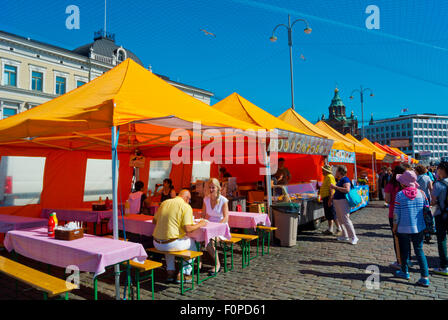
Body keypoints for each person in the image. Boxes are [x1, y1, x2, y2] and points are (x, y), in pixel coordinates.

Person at [152, 189, 208, 283]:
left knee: (168, 241)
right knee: (193, 244)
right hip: (170, 244)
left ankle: (170, 272)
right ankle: (184, 273)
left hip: (157, 243)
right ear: (187, 198)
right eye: (189, 200)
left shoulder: (164, 203)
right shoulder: (186, 206)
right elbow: (188, 229)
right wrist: (201, 224)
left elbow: (154, 221)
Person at [392, 170, 430, 287]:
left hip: (403, 227)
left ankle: (405, 271)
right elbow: (426, 210)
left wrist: (394, 227)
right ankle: (425, 277)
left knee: (404, 251)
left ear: (403, 183)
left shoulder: (400, 195)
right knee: (419, 251)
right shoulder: (422, 194)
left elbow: (396, 214)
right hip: (419, 227)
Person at [201, 178, 229, 274]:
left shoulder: (223, 200)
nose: (211, 189)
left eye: (213, 187)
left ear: (218, 188)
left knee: (210, 242)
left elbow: (226, 217)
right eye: (210, 187)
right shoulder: (206, 199)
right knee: (196, 238)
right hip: (209, 225)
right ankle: (199, 262)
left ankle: (217, 265)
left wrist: (217, 227)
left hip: (221, 227)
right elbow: (203, 215)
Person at [385, 164, 408, 270]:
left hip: (394, 213)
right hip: (406, 212)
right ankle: (407, 260)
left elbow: (387, 200)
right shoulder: (407, 184)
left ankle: (399, 261)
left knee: (396, 238)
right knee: (406, 238)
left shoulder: (390, 184)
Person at [330, 165, 359, 245]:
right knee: (340, 219)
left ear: (340, 172)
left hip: (343, 202)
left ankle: (354, 237)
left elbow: (347, 189)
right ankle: (345, 235)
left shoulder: (345, 179)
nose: (335, 172)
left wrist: (335, 187)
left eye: (337, 171)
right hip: (338, 201)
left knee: (345, 220)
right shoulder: (340, 180)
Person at [431, 161, 448, 276]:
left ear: (442, 170)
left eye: (438, 169)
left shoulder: (438, 184)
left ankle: (444, 266)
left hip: (441, 215)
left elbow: (433, 201)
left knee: (441, 239)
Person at [319, 164, 342, 236]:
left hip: (329, 198)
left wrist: (330, 199)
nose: (322, 171)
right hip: (326, 198)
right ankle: (330, 229)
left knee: (333, 214)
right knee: (329, 214)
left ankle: (339, 228)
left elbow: (331, 189)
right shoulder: (327, 177)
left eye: (323, 170)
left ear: (326, 171)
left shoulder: (329, 177)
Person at [415, 164, 434, 244]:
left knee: (419, 216)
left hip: (417, 199)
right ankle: (427, 233)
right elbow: (431, 189)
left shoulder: (415, 178)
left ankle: (421, 233)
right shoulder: (427, 178)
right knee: (427, 216)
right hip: (426, 199)